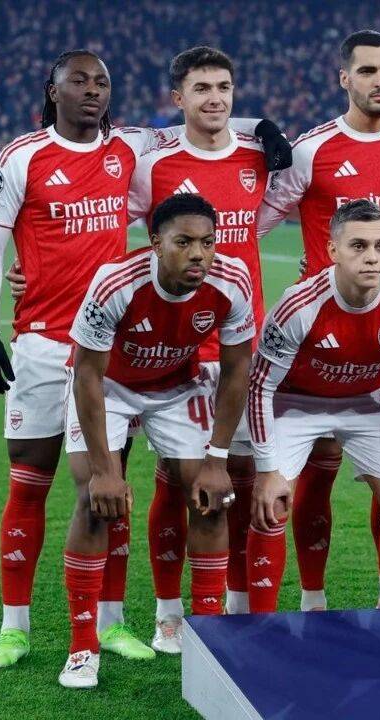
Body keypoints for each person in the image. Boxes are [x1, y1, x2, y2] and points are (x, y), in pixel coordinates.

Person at [0, 49, 169, 668]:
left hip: (106, 354)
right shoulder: (21, 156)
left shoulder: (128, 149)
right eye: (79, 80)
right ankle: (14, 627)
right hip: (39, 344)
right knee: (28, 483)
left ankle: (109, 623)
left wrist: (261, 129)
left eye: (102, 81)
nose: (93, 90)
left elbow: (198, 125)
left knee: (108, 486)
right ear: (52, 90)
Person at [256, 30, 380, 611]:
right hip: (319, 335)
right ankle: (312, 598)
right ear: (344, 79)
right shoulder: (313, 150)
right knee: (316, 475)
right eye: (367, 71)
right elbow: (253, 221)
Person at [59, 193, 255, 688]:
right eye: (183, 242)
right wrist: (105, 471)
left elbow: (237, 371)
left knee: (211, 497)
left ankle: (207, 639)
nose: (198, 254)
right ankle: (82, 648)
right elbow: (87, 375)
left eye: (207, 243)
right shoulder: (116, 283)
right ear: (155, 242)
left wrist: (216, 460)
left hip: (176, 387)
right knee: (94, 500)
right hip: (109, 388)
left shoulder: (232, 281)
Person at [127, 45, 269, 645]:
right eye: (201, 88)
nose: (215, 98)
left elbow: (276, 213)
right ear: (177, 98)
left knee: (239, 479)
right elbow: (113, 231)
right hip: (179, 351)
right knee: (174, 480)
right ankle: (168, 611)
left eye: (224, 87)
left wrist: (261, 127)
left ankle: (234, 604)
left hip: (242, 347)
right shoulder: (154, 166)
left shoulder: (260, 156)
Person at [245, 199, 380, 611]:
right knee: (272, 503)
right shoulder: (298, 305)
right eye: (358, 246)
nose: (372, 257)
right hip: (296, 404)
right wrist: (266, 470)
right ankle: (272, 621)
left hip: (366, 403)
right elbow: (260, 387)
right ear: (332, 250)